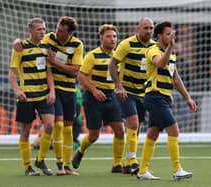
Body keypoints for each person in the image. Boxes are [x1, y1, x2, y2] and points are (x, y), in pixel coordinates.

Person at [14, 16, 83, 176]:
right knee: (55, 126)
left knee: (68, 129)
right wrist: (17, 41)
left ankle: (66, 166)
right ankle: (57, 165)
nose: (57, 32)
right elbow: (30, 40)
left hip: (70, 90)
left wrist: (54, 61)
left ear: (70, 33)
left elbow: (75, 70)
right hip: (53, 89)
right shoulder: (49, 38)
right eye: (57, 29)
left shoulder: (77, 45)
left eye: (61, 31)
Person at [136, 21, 197, 180]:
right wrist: (170, 47)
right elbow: (160, 64)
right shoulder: (152, 50)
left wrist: (188, 98)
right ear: (159, 36)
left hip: (162, 97)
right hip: (154, 96)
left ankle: (142, 171)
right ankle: (177, 169)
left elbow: (175, 79)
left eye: (172, 33)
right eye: (168, 34)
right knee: (174, 130)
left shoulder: (172, 54)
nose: (171, 36)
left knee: (153, 133)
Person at [71, 24, 125, 173]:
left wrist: (120, 89)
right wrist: (94, 90)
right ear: (101, 38)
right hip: (93, 98)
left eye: (114, 36)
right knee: (94, 136)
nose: (112, 39)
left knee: (120, 131)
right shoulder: (92, 55)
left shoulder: (119, 58)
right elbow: (81, 75)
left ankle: (116, 165)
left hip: (111, 97)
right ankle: (81, 151)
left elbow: (120, 78)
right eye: (108, 36)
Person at [9, 18, 55, 176]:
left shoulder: (46, 47)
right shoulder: (20, 47)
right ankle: (28, 167)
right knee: (26, 132)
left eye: (43, 29)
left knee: (50, 126)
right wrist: (17, 90)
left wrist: (52, 91)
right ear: (30, 31)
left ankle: (40, 159)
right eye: (39, 29)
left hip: (43, 94)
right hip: (26, 96)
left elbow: (49, 72)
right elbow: (12, 73)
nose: (42, 31)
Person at [108, 17, 154, 174]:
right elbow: (112, 64)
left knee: (137, 127)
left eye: (151, 28)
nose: (148, 31)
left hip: (144, 93)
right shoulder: (126, 44)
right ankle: (133, 162)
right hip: (127, 92)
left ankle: (127, 163)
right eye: (145, 28)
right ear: (138, 28)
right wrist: (118, 86)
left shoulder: (154, 47)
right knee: (133, 124)